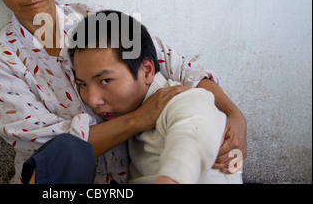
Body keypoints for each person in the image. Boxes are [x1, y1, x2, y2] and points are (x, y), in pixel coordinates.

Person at [0, 0, 247, 184]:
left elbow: (180, 68)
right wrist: (139, 119)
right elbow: (59, 153)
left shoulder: (95, 19)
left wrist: (236, 117)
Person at [68, 10, 243, 183]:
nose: (92, 100)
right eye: (83, 84)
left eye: (105, 80)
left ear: (147, 70)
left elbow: (192, 134)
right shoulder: (133, 123)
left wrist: (172, 179)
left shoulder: (181, 99)